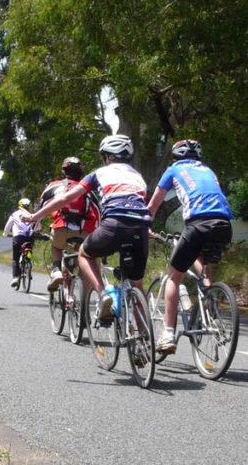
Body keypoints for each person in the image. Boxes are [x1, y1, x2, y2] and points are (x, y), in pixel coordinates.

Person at [25, 135, 151, 320]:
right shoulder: (139, 178)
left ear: (107, 157)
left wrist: (35, 216)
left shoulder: (98, 174)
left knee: (85, 254)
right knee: (136, 285)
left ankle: (103, 295)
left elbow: (65, 198)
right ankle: (143, 341)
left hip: (113, 225)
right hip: (140, 229)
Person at [147, 139, 233, 353]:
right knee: (202, 262)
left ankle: (168, 334)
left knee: (175, 276)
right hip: (224, 226)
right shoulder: (208, 170)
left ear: (175, 156)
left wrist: (145, 226)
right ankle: (210, 308)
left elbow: (154, 204)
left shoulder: (174, 169)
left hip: (197, 225)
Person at [34, 156, 100, 291]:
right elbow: (98, 210)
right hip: (85, 232)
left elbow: (41, 206)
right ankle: (84, 298)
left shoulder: (55, 185)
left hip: (61, 228)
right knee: (85, 259)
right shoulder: (88, 189)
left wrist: (36, 226)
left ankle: (57, 269)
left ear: (63, 172)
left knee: (56, 246)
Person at [2, 198, 36, 288]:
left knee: (15, 259)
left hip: (17, 238)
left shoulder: (14, 214)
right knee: (28, 250)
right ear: (29, 206)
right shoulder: (31, 215)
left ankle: (15, 277)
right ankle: (28, 263)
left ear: (19, 205)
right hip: (29, 238)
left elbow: (7, 227)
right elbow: (37, 226)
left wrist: (5, 235)